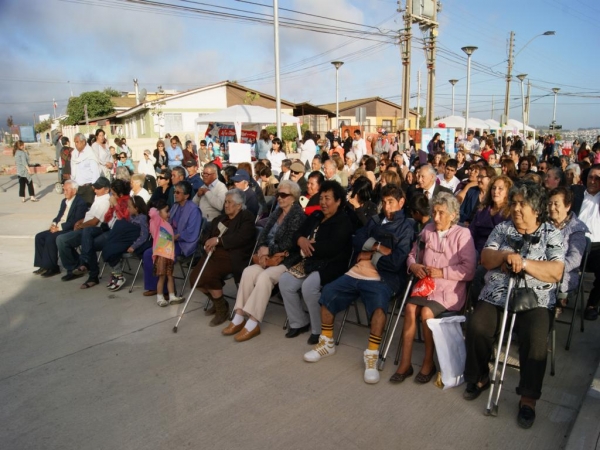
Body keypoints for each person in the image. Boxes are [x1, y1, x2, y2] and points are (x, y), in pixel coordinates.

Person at [463, 183, 564, 429]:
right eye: (515, 202)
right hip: (498, 294)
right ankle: (480, 377)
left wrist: (526, 264)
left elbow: (556, 272)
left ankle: (528, 398)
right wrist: (506, 257)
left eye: (522, 204)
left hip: (535, 299)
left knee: (536, 335)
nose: (516, 208)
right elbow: (486, 258)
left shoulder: (552, 233)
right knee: (477, 326)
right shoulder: (502, 228)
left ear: (537, 210)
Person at [303, 184, 415, 384]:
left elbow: (396, 261)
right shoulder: (374, 220)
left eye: (391, 203)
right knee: (328, 292)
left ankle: (372, 354)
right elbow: (357, 240)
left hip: (383, 278)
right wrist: (379, 247)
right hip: (356, 272)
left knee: (380, 308)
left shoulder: (406, 227)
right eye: (385, 202)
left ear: (401, 203)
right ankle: (327, 342)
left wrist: (369, 254)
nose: (387, 207)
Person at [390, 193, 476, 384]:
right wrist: (413, 265)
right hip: (426, 286)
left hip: (449, 290)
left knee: (427, 312)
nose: (436, 218)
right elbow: (413, 254)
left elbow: (469, 270)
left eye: (441, 213)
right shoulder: (428, 230)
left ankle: (428, 363)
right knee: (410, 308)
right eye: (434, 212)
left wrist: (443, 272)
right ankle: (405, 363)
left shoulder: (463, 234)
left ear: (453, 215)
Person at [221, 180, 306, 341]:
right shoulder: (276, 212)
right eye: (277, 194)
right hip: (268, 258)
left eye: (283, 195)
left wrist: (270, 250)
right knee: (248, 272)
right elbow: (263, 235)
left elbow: (290, 243)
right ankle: (239, 316)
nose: (279, 198)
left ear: (293, 197)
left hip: (287, 260)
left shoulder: (298, 216)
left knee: (264, 277)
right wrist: (261, 250)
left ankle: (253, 322)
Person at [280, 181, 354, 344]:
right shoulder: (316, 216)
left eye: (327, 198)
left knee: (309, 287)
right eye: (321, 198)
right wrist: (300, 240)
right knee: (285, 282)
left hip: (331, 264)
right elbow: (297, 233)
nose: (323, 202)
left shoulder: (343, 221)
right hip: (309, 260)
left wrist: (307, 245)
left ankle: (318, 329)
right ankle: (298, 322)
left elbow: (333, 247)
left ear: (338, 201)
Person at [191, 189, 257, 325]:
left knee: (208, 276)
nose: (226, 205)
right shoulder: (220, 219)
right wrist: (207, 244)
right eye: (225, 202)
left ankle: (222, 310)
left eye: (229, 202)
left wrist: (218, 241)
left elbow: (241, 238)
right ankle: (220, 302)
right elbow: (206, 236)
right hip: (213, 254)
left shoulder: (247, 217)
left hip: (233, 256)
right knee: (194, 279)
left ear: (239, 205)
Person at [142, 181, 202, 297]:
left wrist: (176, 237)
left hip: (183, 242)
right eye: (175, 192)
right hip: (168, 240)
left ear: (186, 195)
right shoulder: (175, 206)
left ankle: (167, 290)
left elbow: (191, 232)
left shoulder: (194, 210)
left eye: (178, 192)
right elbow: (165, 222)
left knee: (162, 257)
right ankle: (154, 286)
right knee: (147, 253)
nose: (175, 194)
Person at [77, 179, 131, 289]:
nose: (112, 195)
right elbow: (106, 219)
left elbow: (124, 220)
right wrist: (111, 209)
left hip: (119, 233)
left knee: (90, 244)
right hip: (108, 229)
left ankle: (91, 272)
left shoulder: (127, 202)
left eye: (114, 194)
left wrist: (116, 205)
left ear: (120, 194)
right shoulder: (113, 201)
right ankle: (86, 261)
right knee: (87, 233)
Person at [56, 177, 111, 280]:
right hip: (85, 226)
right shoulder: (98, 197)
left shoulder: (105, 201)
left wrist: (81, 225)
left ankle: (77, 266)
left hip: (94, 230)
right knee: (61, 239)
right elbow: (90, 215)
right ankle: (76, 265)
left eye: (98, 188)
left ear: (106, 189)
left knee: (62, 240)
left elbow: (95, 222)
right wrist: (80, 221)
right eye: (95, 188)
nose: (95, 190)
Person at [547, 187, 589, 315]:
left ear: (567, 206)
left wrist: (555, 267)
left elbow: (575, 259)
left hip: (565, 272)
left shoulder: (576, 228)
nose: (552, 207)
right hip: (541, 265)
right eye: (549, 204)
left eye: (556, 204)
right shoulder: (544, 224)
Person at [33, 181, 88, 276]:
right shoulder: (64, 201)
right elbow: (59, 216)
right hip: (59, 227)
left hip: (69, 229)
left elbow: (76, 220)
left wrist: (59, 228)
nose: (64, 192)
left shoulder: (80, 202)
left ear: (74, 191)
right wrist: (54, 223)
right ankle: (43, 265)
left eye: (67, 190)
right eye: (64, 190)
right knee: (39, 236)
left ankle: (52, 267)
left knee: (51, 237)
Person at [102, 195, 150, 291]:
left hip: (131, 241)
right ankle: (116, 273)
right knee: (109, 248)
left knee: (113, 250)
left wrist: (133, 246)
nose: (128, 209)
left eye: (130, 207)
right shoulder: (131, 217)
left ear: (136, 208)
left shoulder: (142, 218)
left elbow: (144, 235)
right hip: (124, 239)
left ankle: (118, 275)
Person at [148, 200, 183, 306]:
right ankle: (160, 297)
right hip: (161, 255)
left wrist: (175, 237)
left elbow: (168, 238)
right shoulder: (157, 223)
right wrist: (157, 210)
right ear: (159, 213)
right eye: (166, 211)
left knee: (171, 276)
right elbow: (152, 212)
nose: (169, 214)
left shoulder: (167, 225)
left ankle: (172, 296)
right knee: (162, 277)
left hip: (169, 255)